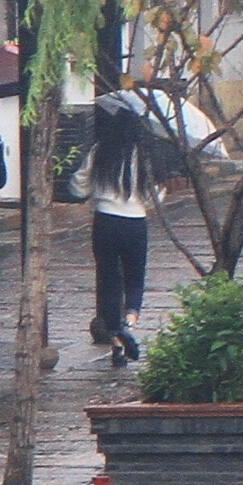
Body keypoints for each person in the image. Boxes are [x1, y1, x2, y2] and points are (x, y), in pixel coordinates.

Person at [87, 86, 167, 366]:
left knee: (109, 280)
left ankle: (116, 342)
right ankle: (129, 324)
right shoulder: (146, 156)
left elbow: (78, 183)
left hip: (105, 220)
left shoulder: (101, 151)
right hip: (135, 222)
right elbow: (155, 195)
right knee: (135, 277)